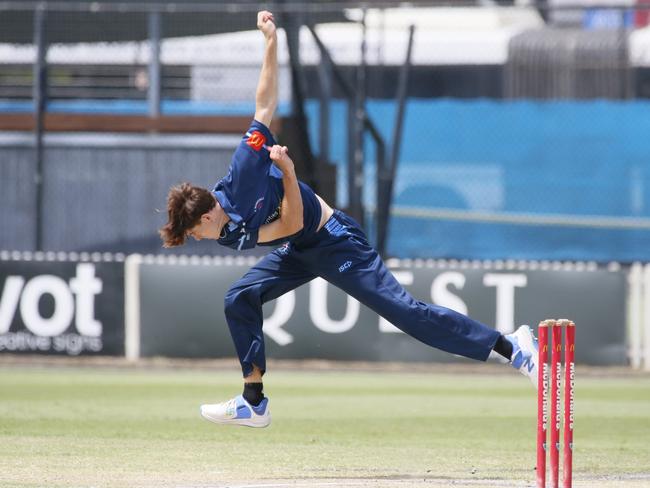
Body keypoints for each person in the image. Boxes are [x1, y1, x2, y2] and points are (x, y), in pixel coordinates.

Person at [160, 11, 538, 429]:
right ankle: (254, 401)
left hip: (334, 240)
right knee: (239, 297)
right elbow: (286, 230)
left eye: (198, 230)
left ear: (210, 210)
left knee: (408, 314)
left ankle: (512, 346)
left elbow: (264, 106)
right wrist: (287, 174)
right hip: (298, 245)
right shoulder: (227, 234)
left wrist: (270, 41)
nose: (200, 237)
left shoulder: (243, 170)